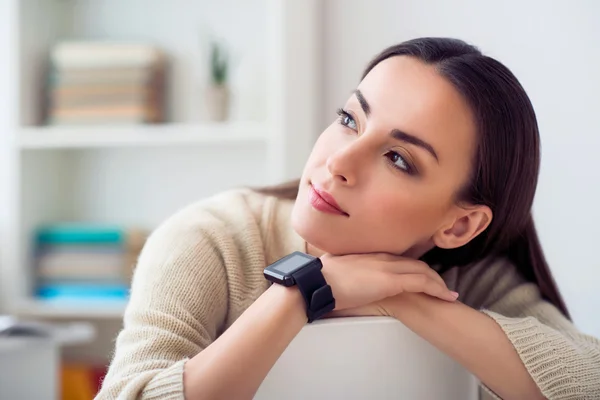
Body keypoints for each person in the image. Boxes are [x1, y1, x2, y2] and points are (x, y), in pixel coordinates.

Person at [95, 37, 600, 399]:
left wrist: (400, 297)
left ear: (459, 226)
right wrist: (304, 290)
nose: (338, 162)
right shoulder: (211, 238)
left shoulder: (470, 275)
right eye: (348, 120)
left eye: (398, 158)